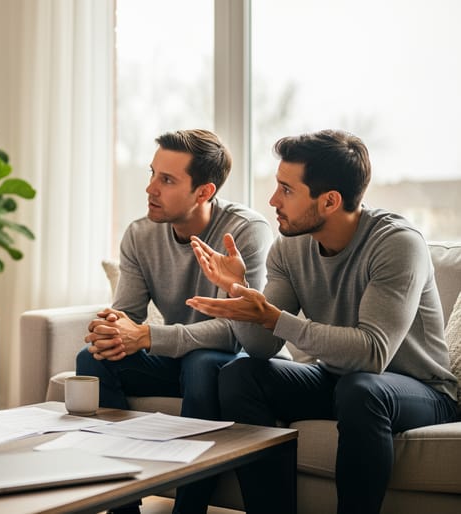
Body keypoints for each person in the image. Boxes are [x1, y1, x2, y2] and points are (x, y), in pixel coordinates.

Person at [187, 129, 459, 514]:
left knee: (362, 389)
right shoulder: (289, 246)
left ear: (330, 200)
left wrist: (274, 317)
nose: (272, 200)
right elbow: (262, 346)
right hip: (338, 380)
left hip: (421, 390)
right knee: (239, 374)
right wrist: (237, 290)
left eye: (286, 190)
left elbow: (372, 354)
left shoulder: (397, 243)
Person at [77, 129, 273, 514]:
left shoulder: (246, 232)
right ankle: (123, 507)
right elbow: (129, 315)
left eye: (167, 180)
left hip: (227, 362)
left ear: (204, 192)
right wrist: (111, 329)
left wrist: (148, 335)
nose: (150, 188)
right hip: (174, 357)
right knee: (92, 359)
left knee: (202, 365)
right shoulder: (139, 234)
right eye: (152, 174)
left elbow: (236, 331)